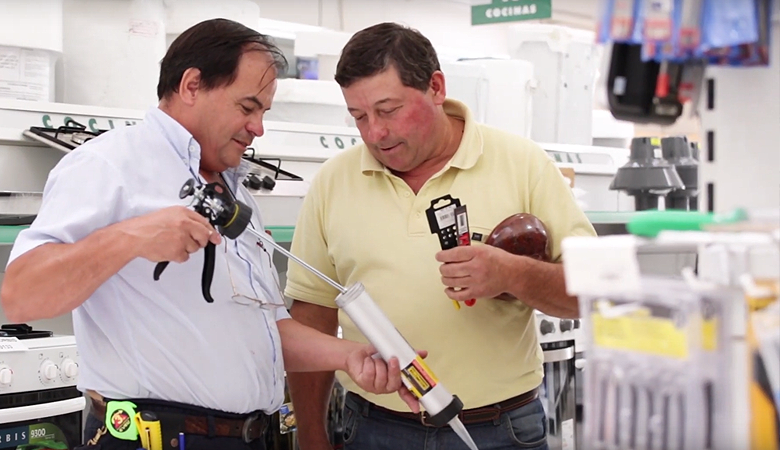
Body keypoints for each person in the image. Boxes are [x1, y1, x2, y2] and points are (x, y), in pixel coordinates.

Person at [0, 19, 419, 450]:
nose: (258, 127)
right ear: (192, 85)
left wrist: (350, 356)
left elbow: (265, 330)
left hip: (250, 437)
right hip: (153, 438)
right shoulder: (108, 165)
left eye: (263, 112)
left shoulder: (235, 195)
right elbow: (21, 295)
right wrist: (131, 237)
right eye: (247, 107)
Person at [285, 22, 597, 450]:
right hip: (374, 429)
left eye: (388, 110)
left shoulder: (522, 164)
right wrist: (311, 434)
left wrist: (513, 274)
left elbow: (592, 292)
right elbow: (313, 315)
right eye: (359, 116)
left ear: (435, 87)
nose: (375, 132)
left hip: (500, 430)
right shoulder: (333, 182)